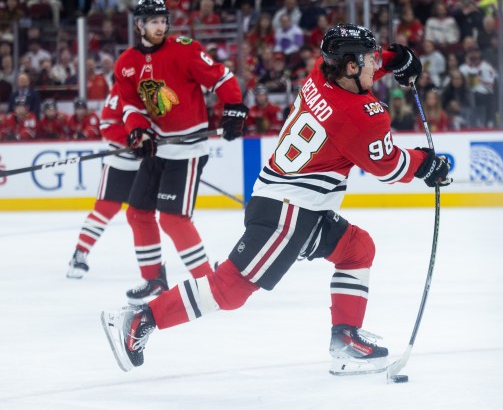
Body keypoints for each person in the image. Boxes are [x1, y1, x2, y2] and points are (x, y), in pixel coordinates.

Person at [101, 23, 451, 375]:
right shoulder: (361, 116)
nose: (375, 65)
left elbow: (358, 78)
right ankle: (140, 319)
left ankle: (345, 339)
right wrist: (427, 164)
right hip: (288, 212)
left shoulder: (321, 73)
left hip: (296, 205)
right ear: (349, 66)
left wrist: (395, 59)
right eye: (370, 60)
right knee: (229, 290)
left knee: (357, 248)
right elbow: (387, 167)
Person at [113, 0, 247, 304]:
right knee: (138, 213)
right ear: (140, 25)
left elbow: (221, 77)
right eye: (153, 21)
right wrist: (138, 130)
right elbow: (130, 103)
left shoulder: (184, 49)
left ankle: (207, 282)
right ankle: (154, 280)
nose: (160, 26)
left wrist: (234, 109)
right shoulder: (126, 63)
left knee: (173, 219)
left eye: (163, 20)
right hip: (158, 147)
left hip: (186, 150)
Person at [66, 84, 141, 279]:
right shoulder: (121, 89)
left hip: (148, 163)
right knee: (105, 209)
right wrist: (132, 142)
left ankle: (195, 263)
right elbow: (107, 126)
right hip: (120, 163)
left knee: (170, 211)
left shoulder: (160, 83)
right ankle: (80, 253)